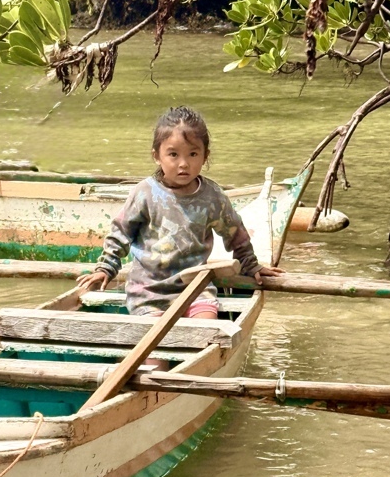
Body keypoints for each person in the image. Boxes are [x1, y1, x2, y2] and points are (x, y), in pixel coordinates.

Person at [76, 106, 282, 320]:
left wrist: (251, 265)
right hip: (148, 291)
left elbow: (235, 232)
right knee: (155, 352)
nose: (184, 164)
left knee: (205, 334)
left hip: (196, 289)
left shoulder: (212, 196)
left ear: (205, 156)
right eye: (173, 154)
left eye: (193, 154)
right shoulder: (145, 194)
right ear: (157, 156)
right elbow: (120, 234)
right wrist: (105, 269)